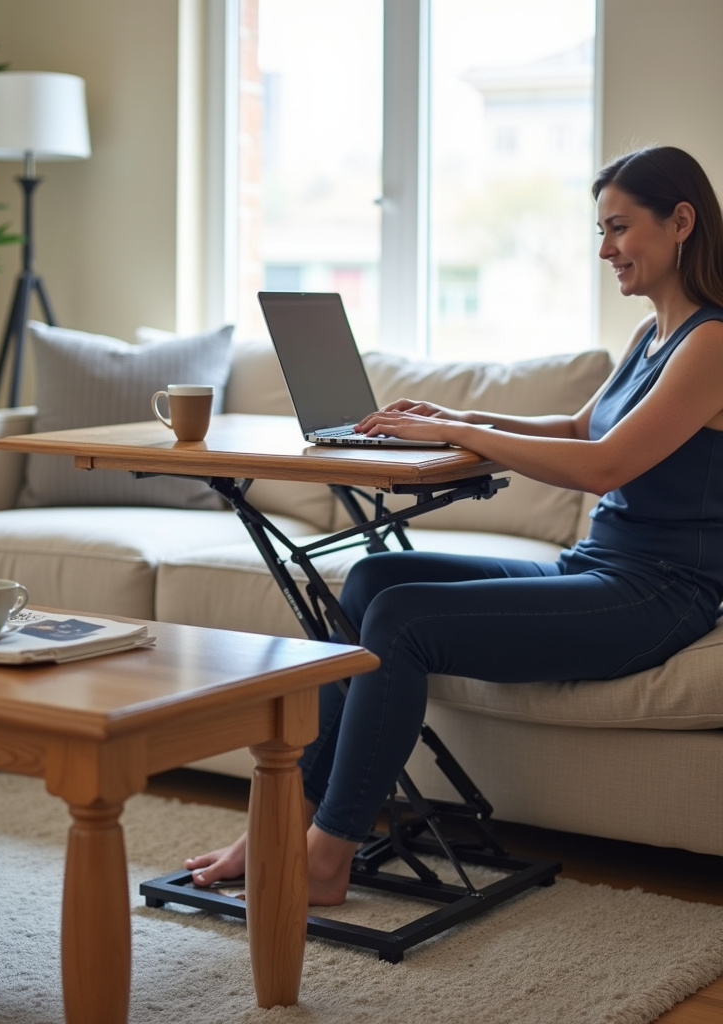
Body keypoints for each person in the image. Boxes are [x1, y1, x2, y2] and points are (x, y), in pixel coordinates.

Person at [186, 145, 723, 906]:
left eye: (619, 228)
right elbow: (580, 425)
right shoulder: (652, 336)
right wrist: (457, 416)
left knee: (404, 620)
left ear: (681, 222)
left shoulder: (713, 342)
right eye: (600, 231)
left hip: (659, 594)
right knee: (371, 578)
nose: (605, 248)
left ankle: (327, 855)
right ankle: (281, 824)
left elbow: (604, 465)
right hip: (595, 567)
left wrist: (462, 436)